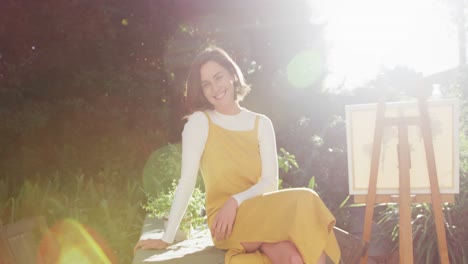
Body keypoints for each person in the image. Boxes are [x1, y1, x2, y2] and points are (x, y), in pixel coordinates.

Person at [134, 46, 341, 264]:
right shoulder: (200, 122)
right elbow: (186, 182)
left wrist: (236, 200)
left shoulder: (261, 123)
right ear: (202, 90)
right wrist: (167, 238)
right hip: (225, 224)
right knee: (307, 198)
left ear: (232, 75)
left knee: (293, 259)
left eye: (218, 77)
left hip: (261, 214)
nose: (215, 88)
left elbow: (270, 184)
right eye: (206, 84)